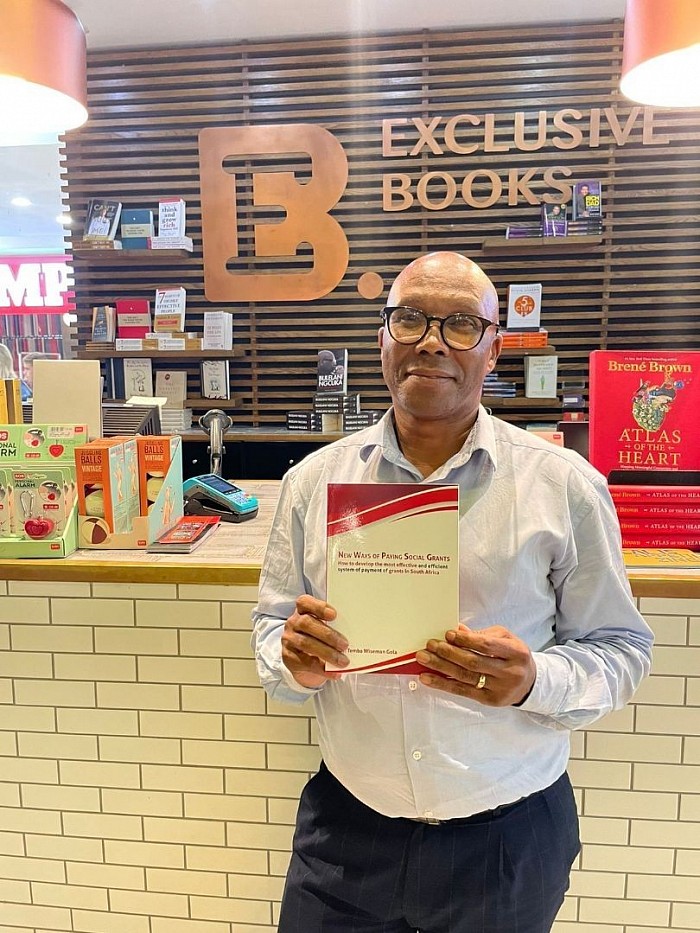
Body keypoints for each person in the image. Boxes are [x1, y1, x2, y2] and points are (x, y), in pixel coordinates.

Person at [252, 251, 653, 933]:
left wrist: (535, 679)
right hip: (347, 834)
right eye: (409, 318)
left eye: (462, 324)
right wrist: (290, 659)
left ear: (494, 349)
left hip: (505, 841)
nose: (431, 340)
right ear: (382, 336)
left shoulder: (563, 486)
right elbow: (272, 624)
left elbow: (621, 648)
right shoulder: (313, 483)